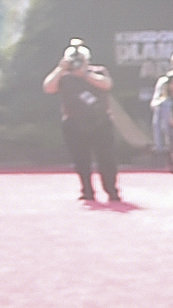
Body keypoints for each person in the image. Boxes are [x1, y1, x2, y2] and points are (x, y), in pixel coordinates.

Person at [43, 40, 127, 204]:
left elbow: (107, 85)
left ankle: (112, 190)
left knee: (107, 159)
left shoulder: (98, 71)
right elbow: (48, 88)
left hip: (100, 122)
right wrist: (61, 68)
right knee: (81, 159)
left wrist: (85, 74)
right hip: (74, 122)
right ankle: (87, 190)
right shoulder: (64, 77)